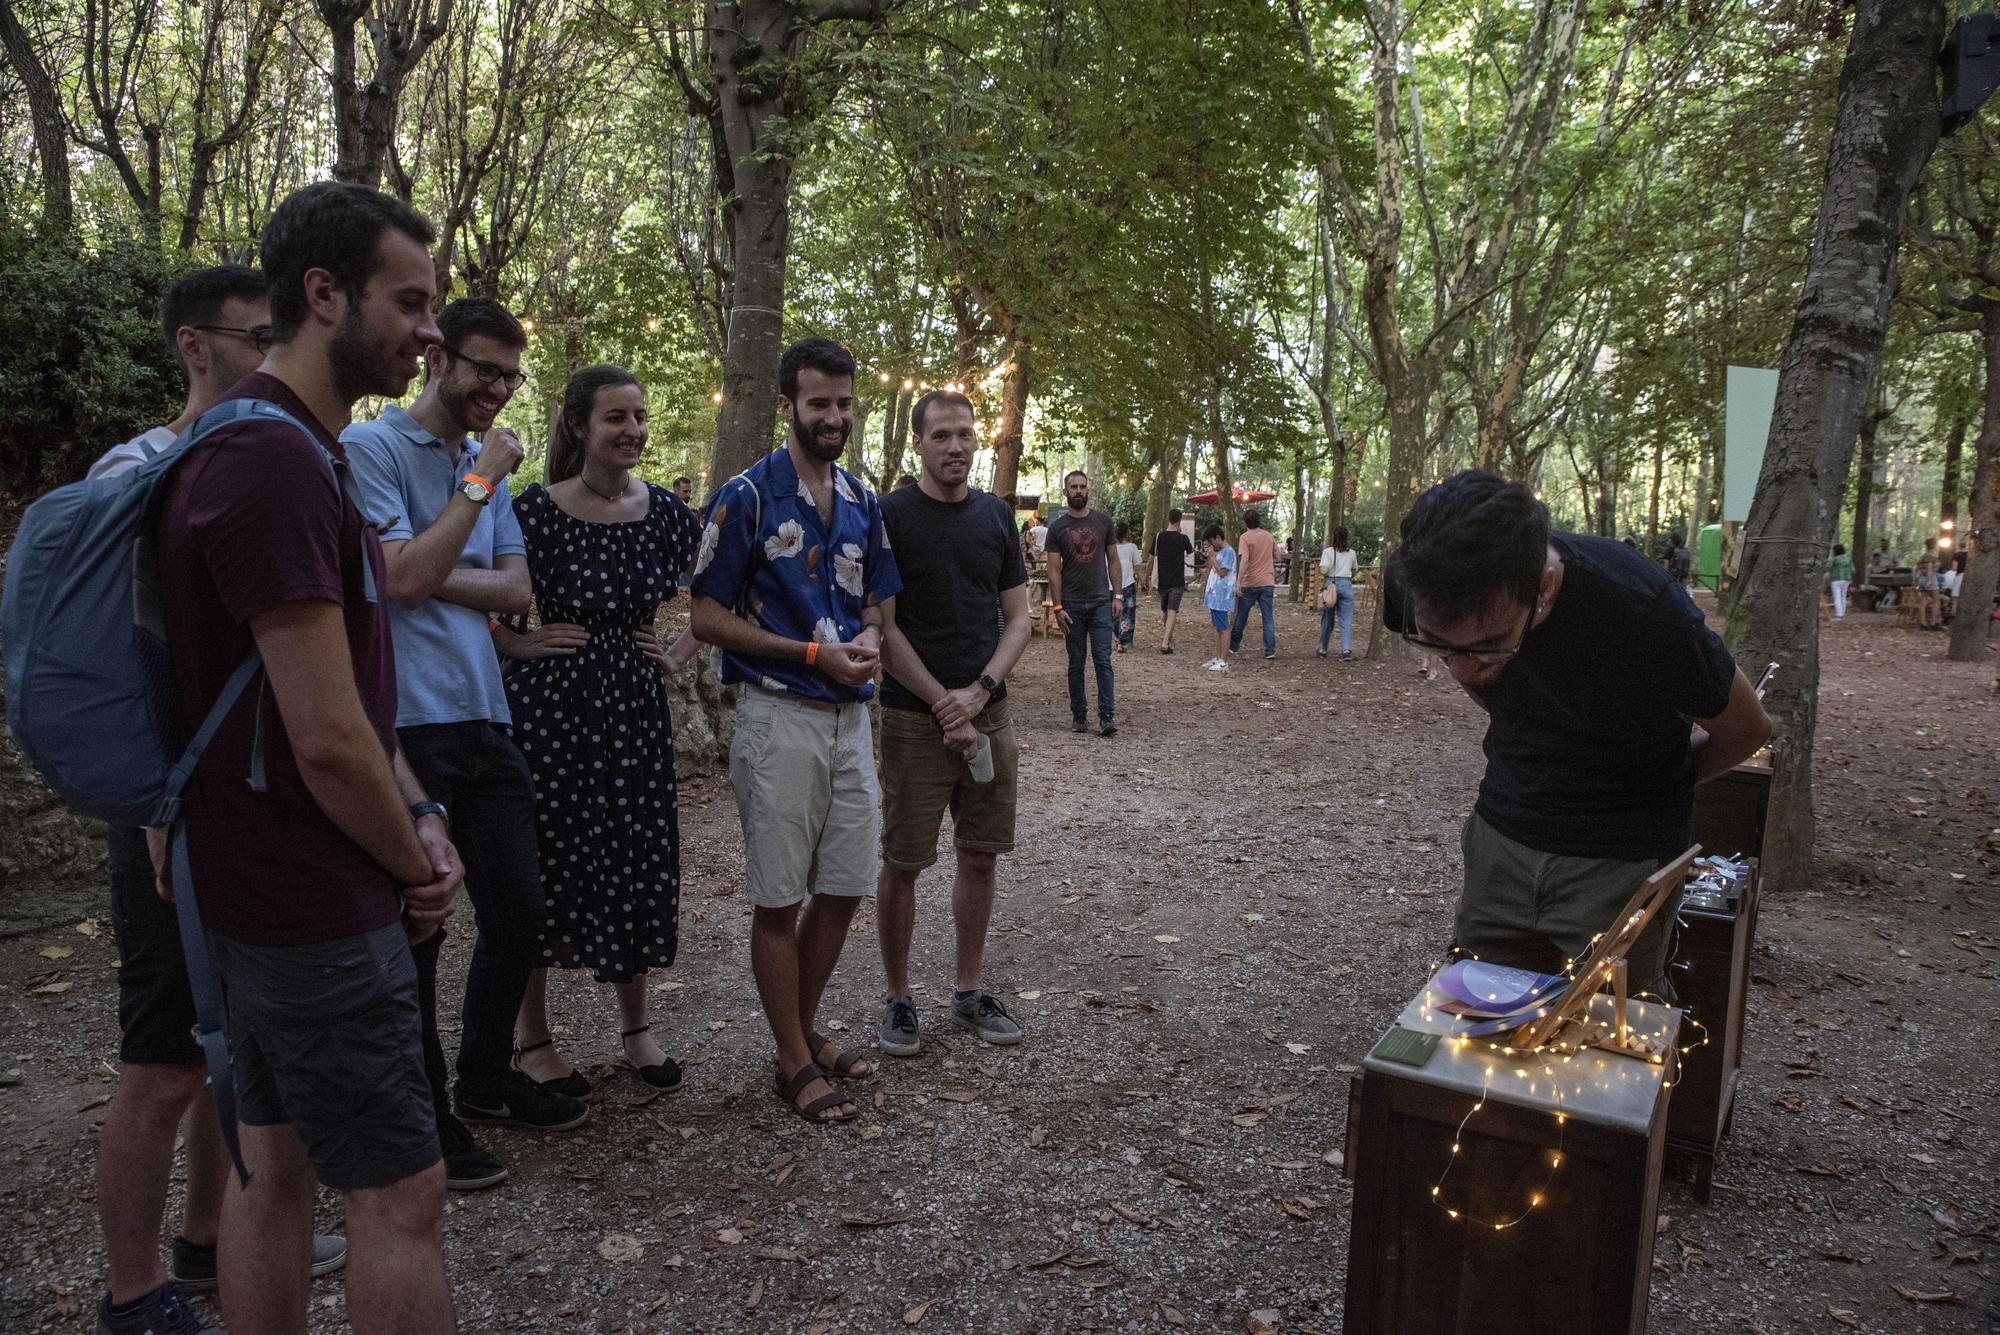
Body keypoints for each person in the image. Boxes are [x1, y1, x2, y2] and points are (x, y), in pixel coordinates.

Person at [154, 181, 461, 1333]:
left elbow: (340, 714)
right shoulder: (276, 464)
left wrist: (415, 808)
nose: (428, 330)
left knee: (269, 1166)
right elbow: (329, 742)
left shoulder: (262, 447)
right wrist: (410, 864)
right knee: (400, 1193)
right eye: (411, 301)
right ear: (325, 295)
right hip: (312, 899)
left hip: (249, 891)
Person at [86, 267, 347, 1335]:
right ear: (196, 346)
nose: (277, 353)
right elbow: (125, 664)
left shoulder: (272, 457)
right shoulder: (141, 469)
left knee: (222, 1050)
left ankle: (204, 1241)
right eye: (256, 336)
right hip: (166, 814)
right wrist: (152, 806)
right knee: (158, 1060)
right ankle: (132, 1290)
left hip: (240, 817)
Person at [344, 296, 587, 1196]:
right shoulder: (373, 448)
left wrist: (435, 562)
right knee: (421, 928)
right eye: (484, 368)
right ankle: (426, 1117)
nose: (497, 388)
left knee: (520, 911)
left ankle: (486, 1078)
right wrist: (480, 485)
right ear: (440, 354)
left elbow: (515, 590)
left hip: (487, 715)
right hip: (406, 724)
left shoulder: (468, 464)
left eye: (511, 376)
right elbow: (399, 580)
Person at [1383, 471, 1771, 994]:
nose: (1461, 671)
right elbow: (1482, 684)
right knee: (1474, 1021)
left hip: (1622, 864)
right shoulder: (1414, 584)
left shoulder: (1642, 607)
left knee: (1610, 1040)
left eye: (1489, 644)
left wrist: (1656, 787)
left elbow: (1747, 729)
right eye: (1440, 645)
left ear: (1542, 587)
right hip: (1500, 842)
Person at [690, 337, 900, 1124]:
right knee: (780, 899)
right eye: (819, 404)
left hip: (852, 719)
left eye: (844, 403)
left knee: (845, 886)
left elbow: (877, 604)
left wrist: (870, 641)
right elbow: (705, 616)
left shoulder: (862, 498)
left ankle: (801, 1033)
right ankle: (791, 1061)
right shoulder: (744, 497)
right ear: (788, 405)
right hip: (778, 716)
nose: (835, 417)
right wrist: (811, 651)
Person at [496, 365, 703, 1096]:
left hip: (635, 713)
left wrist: (677, 652)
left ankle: (638, 1031)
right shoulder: (535, 512)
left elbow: (719, 588)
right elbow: (475, 602)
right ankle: (535, 1039)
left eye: (641, 416)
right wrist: (518, 644)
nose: (634, 431)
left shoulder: (670, 513)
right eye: (617, 417)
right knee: (546, 867)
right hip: (551, 715)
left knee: (636, 856)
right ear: (579, 426)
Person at [874, 390, 1032, 1057]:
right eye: (941, 435)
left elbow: (1019, 617)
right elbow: (882, 626)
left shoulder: (997, 516)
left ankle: (968, 992)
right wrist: (945, 701)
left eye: (966, 435)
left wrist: (980, 692)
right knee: (904, 861)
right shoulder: (890, 516)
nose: (957, 447)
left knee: (981, 854)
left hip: (989, 714)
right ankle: (899, 997)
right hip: (915, 720)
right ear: (919, 444)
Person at [1045, 470, 1120, 735]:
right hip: (1072, 604)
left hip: (1101, 601)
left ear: (1088, 490)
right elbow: (1053, 569)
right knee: (1076, 663)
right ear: (1065, 492)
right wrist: (1057, 606)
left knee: (1103, 660)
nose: (1078, 490)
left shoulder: (1103, 522)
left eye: (1082, 486)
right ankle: (1079, 716)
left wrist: (1118, 595)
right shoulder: (1057, 528)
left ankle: (1107, 716)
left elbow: (1113, 560)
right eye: (1073, 487)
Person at [1229, 509, 1279, 660]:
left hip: (1250, 582)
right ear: (1259, 520)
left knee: (1242, 615)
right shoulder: (1269, 536)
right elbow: (1277, 556)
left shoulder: (1245, 538)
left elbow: (1244, 560)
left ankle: (1234, 645)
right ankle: (1270, 650)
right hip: (1267, 581)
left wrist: (1238, 581)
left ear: (1245, 522)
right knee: (1267, 617)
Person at [1148, 508, 1194, 654]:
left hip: (1163, 580)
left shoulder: (1158, 537)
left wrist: (1147, 577)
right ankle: (1167, 641)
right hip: (1177, 581)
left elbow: (1150, 559)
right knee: (1171, 612)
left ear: (1168, 519)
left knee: (1165, 612)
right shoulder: (1183, 538)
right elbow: (1191, 552)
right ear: (1180, 520)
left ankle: (1167, 641)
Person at [1318, 526, 1359, 660]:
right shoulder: (1352, 553)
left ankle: (1323, 649)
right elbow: (1354, 569)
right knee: (1346, 620)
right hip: (1347, 585)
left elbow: (1324, 571)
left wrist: (1327, 567)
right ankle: (1346, 650)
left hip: (1331, 585)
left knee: (1327, 620)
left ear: (1333, 537)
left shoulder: (1328, 552)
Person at [1201, 524, 1236, 672]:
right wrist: (1210, 558)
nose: (1211, 545)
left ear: (1218, 538)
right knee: (1218, 628)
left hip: (1222, 596)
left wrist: (1213, 558)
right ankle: (1218, 657)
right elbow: (1212, 569)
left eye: (1211, 541)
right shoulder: (1220, 552)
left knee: (1224, 628)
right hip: (1215, 597)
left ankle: (1223, 660)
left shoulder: (1228, 552)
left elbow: (1222, 572)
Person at [1113, 521, 1141, 651]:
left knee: (1114, 613)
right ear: (1127, 533)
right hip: (1128, 584)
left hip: (1112, 585)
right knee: (1127, 613)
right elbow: (1138, 567)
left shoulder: (1111, 547)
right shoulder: (1132, 547)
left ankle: (1117, 639)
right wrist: (1144, 581)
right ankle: (1124, 641)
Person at [1914, 537, 1944, 630]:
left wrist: (1916, 580)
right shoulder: (1932, 556)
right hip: (1930, 578)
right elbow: (1929, 567)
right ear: (1934, 545)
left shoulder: (1923, 556)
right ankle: (1933, 623)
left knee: (1923, 601)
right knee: (1936, 600)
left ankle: (1922, 623)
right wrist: (1930, 580)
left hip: (1922, 578)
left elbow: (1917, 569)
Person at [1826, 542, 1854, 619]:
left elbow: (1827, 567)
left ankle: (1839, 615)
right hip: (1846, 579)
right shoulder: (1848, 558)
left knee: (1837, 597)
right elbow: (1853, 569)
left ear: (1836, 551)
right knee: (1843, 597)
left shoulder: (1834, 559)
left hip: (1836, 579)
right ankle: (1842, 614)